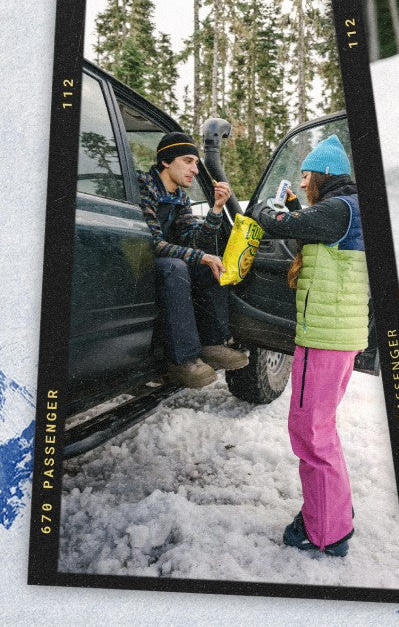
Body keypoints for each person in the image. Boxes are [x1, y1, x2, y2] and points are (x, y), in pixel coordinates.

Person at [251, 134, 367, 558]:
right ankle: (332, 508)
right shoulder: (346, 209)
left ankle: (327, 532)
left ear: (324, 174)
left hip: (324, 340)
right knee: (321, 430)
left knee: (311, 434)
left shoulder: (339, 209)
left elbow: (285, 226)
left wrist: (265, 209)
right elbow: (314, 228)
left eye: (305, 175)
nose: (301, 184)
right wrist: (296, 211)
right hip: (335, 337)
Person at [137, 131, 249, 388]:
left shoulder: (180, 198)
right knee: (177, 266)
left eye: (197, 163)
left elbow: (194, 241)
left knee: (212, 265)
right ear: (166, 160)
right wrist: (199, 256)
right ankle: (182, 361)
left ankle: (211, 344)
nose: (195, 169)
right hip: (138, 262)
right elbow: (152, 243)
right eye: (188, 161)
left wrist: (218, 208)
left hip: (163, 261)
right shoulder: (144, 187)